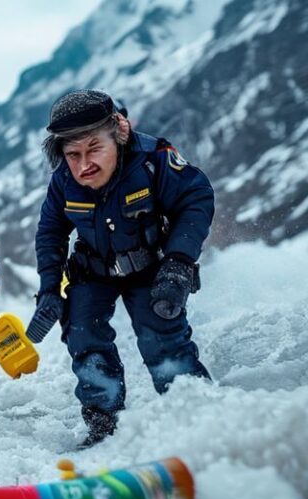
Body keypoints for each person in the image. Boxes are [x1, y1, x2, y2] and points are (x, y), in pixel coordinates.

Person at [26, 89, 214, 447]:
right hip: (93, 270)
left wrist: (178, 262)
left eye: (94, 149)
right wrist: (49, 288)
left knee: (163, 338)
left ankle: (195, 414)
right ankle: (102, 422)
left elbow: (197, 197)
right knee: (83, 335)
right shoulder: (63, 182)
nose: (84, 166)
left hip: (151, 267)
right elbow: (50, 232)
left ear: (120, 132)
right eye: (73, 155)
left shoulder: (154, 160)